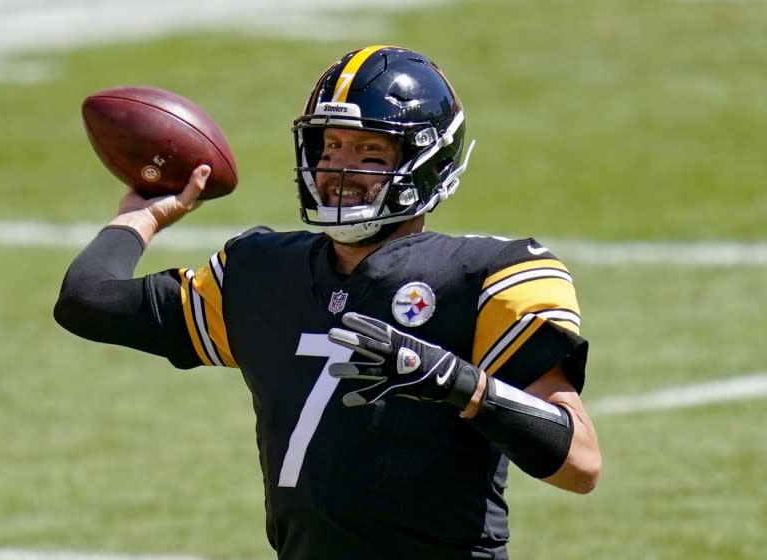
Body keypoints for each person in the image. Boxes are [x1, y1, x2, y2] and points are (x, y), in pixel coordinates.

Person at [54, 45, 601, 560]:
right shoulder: (260, 270)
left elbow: (580, 463)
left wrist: (454, 382)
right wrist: (143, 214)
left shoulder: (489, 275)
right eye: (330, 147)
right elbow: (87, 300)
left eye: (369, 152)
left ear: (425, 163)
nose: (339, 170)